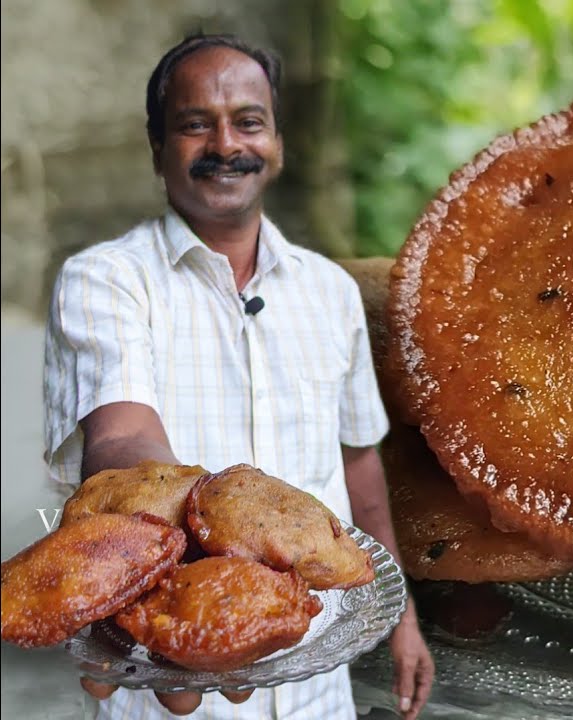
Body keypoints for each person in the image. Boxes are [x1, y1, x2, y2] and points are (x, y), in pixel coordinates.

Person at [42, 33, 433, 719]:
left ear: (276, 141)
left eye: (248, 121)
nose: (226, 143)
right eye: (196, 124)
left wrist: (400, 616)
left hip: (316, 685)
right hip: (168, 678)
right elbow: (122, 436)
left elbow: (357, 460)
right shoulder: (106, 279)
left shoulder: (331, 292)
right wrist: (201, 594)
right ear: (158, 145)